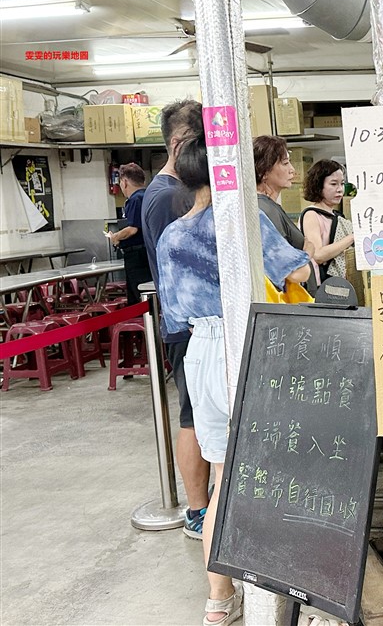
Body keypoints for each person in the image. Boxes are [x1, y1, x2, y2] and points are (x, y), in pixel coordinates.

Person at [157, 131, 313, 626]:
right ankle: (280, 590)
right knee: (273, 473)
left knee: (224, 479)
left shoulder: (172, 236)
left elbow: (174, 316)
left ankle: (219, 601)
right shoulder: (242, 225)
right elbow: (298, 274)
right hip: (250, 344)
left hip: (200, 352)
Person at [140, 99, 209, 540]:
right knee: (192, 417)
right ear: (183, 144)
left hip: (197, 326)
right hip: (187, 328)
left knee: (202, 415)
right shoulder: (168, 198)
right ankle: (198, 509)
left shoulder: (174, 191)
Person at [299, 159, 355, 286]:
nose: (340, 189)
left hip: (337, 285)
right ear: (318, 186)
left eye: (342, 184)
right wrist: (351, 238)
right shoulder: (312, 215)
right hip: (321, 287)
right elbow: (318, 255)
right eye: (333, 184)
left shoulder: (336, 216)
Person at [105, 163, 153, 305]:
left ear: (124, 182)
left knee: (138, 296)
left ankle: (141, 325)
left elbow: (133, 229)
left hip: (137, 257)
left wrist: (115, 237)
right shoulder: (149, 195)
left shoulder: (134, 199)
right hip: (149, 253)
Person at [254, 135, 306, 249]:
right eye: (285, 163)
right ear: (264, 171)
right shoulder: (265, 209)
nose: (292, 170)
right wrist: (309, 250)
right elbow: (285, 259)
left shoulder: (269, 205)